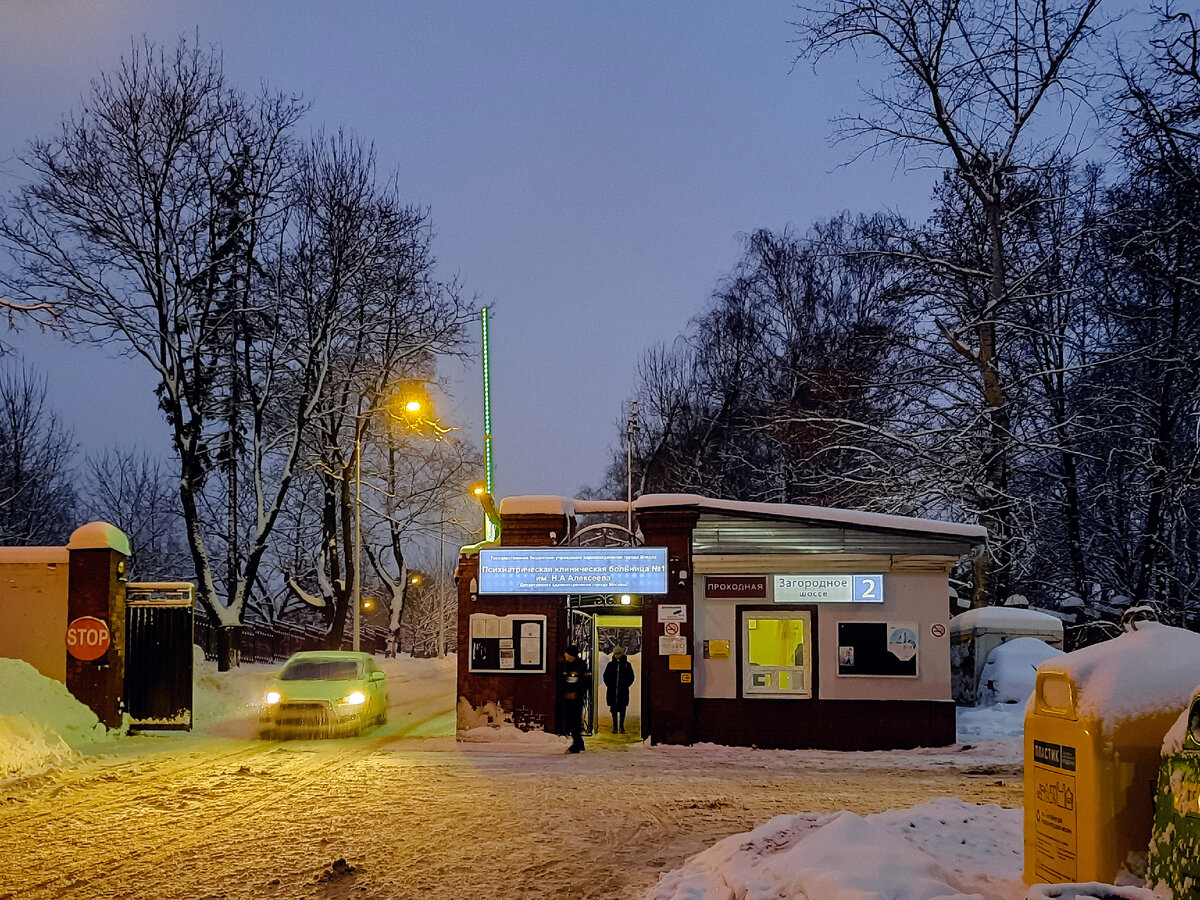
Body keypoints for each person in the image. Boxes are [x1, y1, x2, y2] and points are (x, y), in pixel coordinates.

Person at [560, 644, 590, 753]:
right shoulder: (566, 665)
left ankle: (577, 744)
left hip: (576, 698)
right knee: (570, 720)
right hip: (567, 697)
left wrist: (576, 693)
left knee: (575, 721)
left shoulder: (580, 666)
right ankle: (579, 742)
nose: (565, 655)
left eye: (567, 654)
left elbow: (584, 682)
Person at [603, 646, 635, 734]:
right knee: (613, 709)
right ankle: (615, 727)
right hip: (612, 691)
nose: (617, 655)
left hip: (623, 691)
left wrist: (626, 685)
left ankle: (621, 726)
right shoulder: (610, 665)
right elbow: (606, 676)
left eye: (619, 653)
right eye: (616, 653)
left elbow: (631, 677)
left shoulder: (627, 665)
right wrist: (609, 685)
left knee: (622, 709)